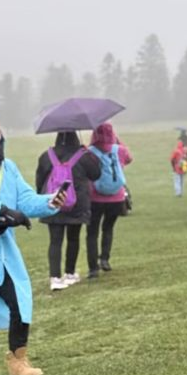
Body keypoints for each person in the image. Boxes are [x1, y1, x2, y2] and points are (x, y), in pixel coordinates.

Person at [0, 105, 67, 375]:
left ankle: (18, 362)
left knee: (20, 302)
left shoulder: (6, 168)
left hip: (1, 254)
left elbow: (24, 200)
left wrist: (50, 201)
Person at [36, 131, 101, 290]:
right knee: (73, 238)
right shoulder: (83, 156)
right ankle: (70, 273)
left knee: (55, 241)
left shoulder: (47, 155)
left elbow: (40, 179)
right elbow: (96, 174)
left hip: (53, 201)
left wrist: (42, 196)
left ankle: (55, 278)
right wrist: (88, 153)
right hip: (76, 203)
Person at [86, 122, 133, 278]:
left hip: (95, 198)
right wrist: (118, 142)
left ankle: (93, 268)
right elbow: (129, 158)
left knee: (92, 232)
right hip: (117, 197)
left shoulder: (89, 152)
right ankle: (105, 259)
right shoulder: (119, 150)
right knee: (108, 228)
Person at [170, 131, 187, 198]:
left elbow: (172, 159)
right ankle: (180, 192)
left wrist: (173, 167)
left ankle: (178, 193)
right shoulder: (184, 151)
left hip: (177, 168)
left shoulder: (176, 151)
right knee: (181, 181)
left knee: (177, 180)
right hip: (183, 168)